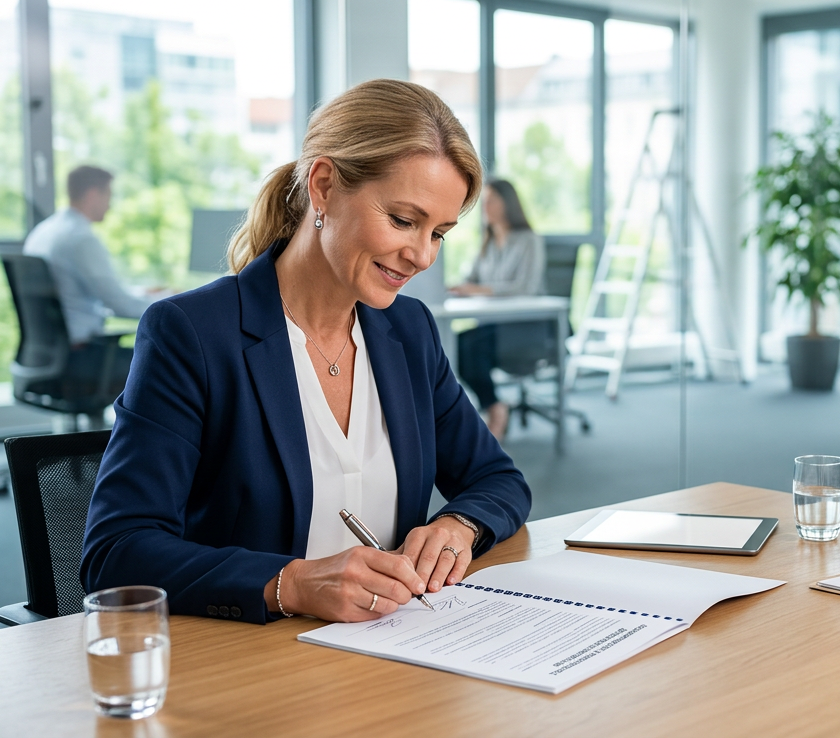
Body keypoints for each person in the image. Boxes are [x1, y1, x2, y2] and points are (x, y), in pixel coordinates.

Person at [82, 79, 532, 624]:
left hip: (397, 653)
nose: (421, 256)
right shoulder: (193, 333)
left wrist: (458, 525)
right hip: (254, 665)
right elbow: (117, 551)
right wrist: (288, 583)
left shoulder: (408, 330)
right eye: (403, 220)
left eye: (439, 233)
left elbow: (499, 480)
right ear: (323, 186)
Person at [23, 165, 150, 387]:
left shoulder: (43, 232)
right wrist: (177, 304)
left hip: (44, 355)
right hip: (81, 359)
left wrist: (140, 294)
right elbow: (122, 306)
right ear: (93, 195)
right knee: (167, 363)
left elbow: (79, 293)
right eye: (108, 196)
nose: (110, 205)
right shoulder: (81, 238)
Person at [451, 179, 546, 442]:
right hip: (494, 325)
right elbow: (471, 278)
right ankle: (494, 405)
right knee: (457, 345)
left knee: (472, 346)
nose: (485, 206)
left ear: (508, 203)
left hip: (526, 328)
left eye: (491, 199)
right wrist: (459, 286)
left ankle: (494, 410)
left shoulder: (529, 240)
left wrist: (479, 290)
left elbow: (524, 287)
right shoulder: (488, 242)